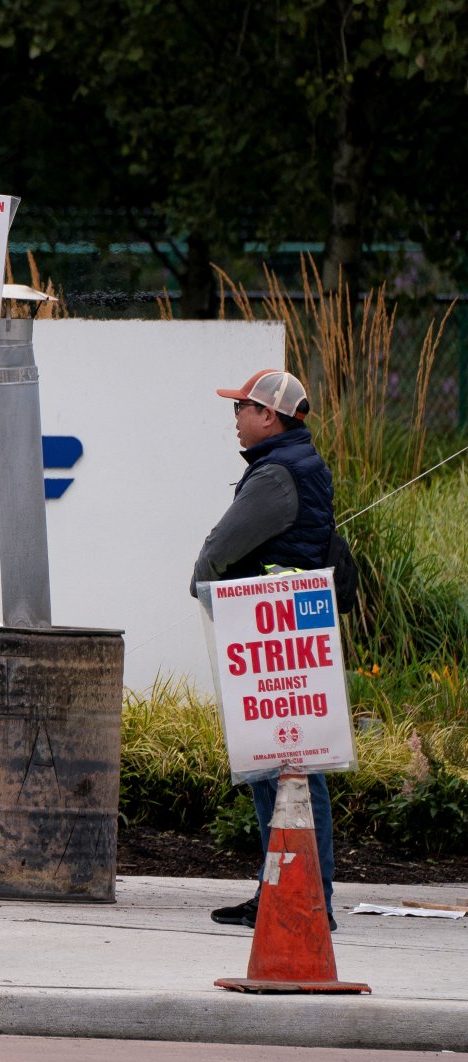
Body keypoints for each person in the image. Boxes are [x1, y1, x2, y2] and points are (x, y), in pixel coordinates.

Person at [191, 368, 338, 932]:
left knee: (281, 770)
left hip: (268, 636)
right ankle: (289, 891)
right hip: (286, 634)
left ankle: (298, 898)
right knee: (289, 769)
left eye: (242, 408)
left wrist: (201, 584)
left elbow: (219, 549)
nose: (235, 417)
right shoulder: (295, 464)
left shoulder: (276, 474)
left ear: (268, 417)